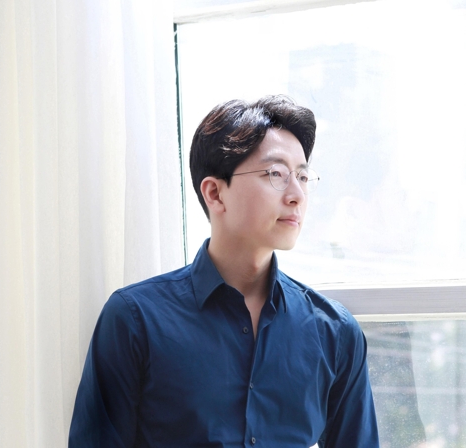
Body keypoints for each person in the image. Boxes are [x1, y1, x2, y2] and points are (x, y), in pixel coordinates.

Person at [69, 95, 379, 447]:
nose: (297, 195)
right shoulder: (135, 319)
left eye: (303, 176)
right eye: (276, 174)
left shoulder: (335, 332)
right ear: (215, 193)